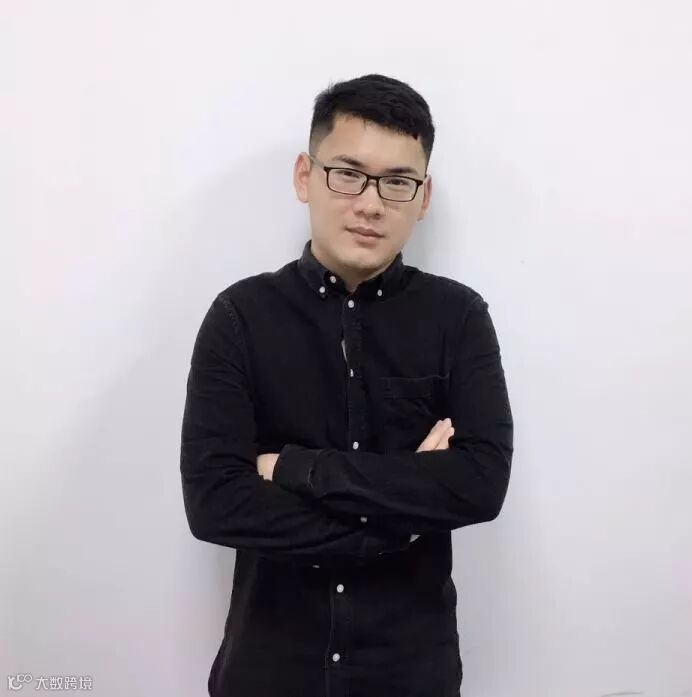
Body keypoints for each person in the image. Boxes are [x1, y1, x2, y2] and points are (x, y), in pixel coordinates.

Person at [180, 73, 514, 697]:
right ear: (305, 176)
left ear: (423, 196)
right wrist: (398, 522)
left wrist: (294, 469)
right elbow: (216, 502)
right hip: (269, 671)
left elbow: (479, 484)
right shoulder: (240, 316)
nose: (370, 203)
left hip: (411, 675)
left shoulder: (459, 318)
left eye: (397, 182)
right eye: (348, 174)